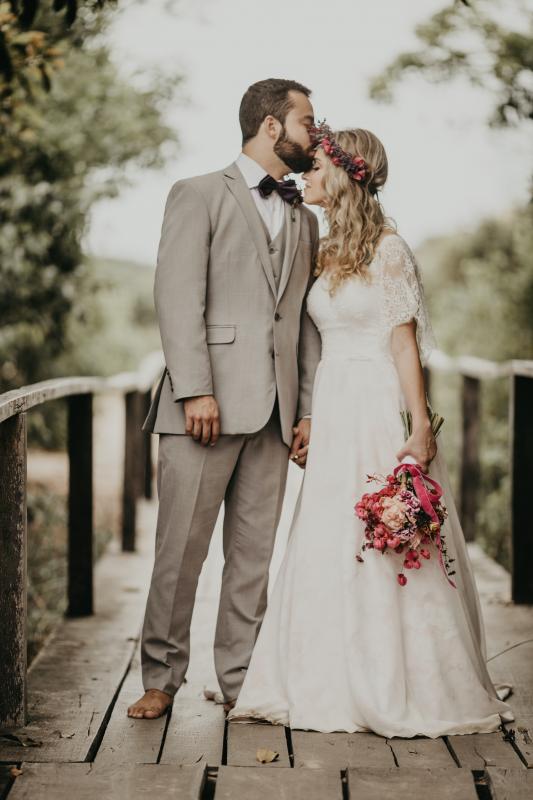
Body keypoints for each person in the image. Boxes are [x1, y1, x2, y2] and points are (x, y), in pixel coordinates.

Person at [228, 125, 514, 737]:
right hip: (333, 404)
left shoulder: (388, 249)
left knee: (386, 530)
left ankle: (397, 678)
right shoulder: (325, 247)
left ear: (346, 173)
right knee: (326, 533)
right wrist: (307, 413)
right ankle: (316, 673)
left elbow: (404, 344)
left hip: (377, 404)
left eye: (315, 167)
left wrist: (419, 429)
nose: (305, 174)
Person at [127, 79, 322, 719]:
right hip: (200, 410)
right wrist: (196, 389)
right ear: (272, 126)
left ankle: (239, 679)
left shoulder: (305, 218)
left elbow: (302, 323)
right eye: (307, 123)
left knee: (251, 557)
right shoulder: (197, 194)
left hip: (274, 414)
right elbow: (176, 298)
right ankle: (161, 676)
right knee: (180, 551)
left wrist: (308, 410)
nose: (314, 135)